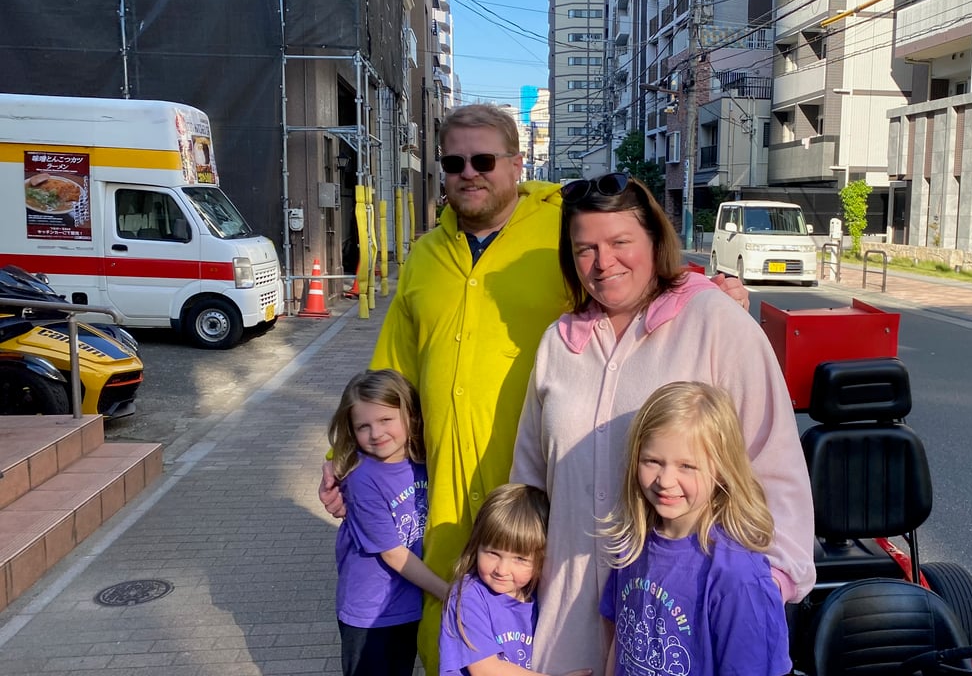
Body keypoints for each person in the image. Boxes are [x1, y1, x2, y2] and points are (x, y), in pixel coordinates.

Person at [318, 103, 749, 672]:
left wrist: (707, 290)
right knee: (449, 639)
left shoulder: (560, 229)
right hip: (440, 496)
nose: (469, 171)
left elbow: (625, 267)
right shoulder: (424, 256)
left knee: (524, 646)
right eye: (454, 161)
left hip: (541, 506)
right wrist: (340, 455)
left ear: (517, 164)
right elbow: (390, 374)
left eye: (484, 159)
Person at [510, 172, 815, 675]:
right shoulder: (558, 343)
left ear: (655, 240)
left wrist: (767, 582)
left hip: (680, 622)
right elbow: (530, 479)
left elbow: (775, 463)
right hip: (569, 617)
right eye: (584, 248)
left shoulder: (717, 325)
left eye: (620, 242)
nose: (603, 262)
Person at [598, 381, 791, 676]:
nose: (665, 479)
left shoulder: (738, 576)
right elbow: (619, 643)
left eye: (687, 466)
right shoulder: (632, 546)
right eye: (652, 461)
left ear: (722, 470)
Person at [328, 370, 450, 676]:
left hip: (408, 604)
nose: (376, 433)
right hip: (370, 614)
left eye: (386, 420)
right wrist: (449, 593)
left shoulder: (424, 463)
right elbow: (393, 554)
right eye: (363, 426)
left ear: (410, 416)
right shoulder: (363, 479)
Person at [439, 483, 592, 676]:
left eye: (520, 559)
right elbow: (485, 670)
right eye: (493, 553)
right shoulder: (468, 596)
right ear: (476, 545)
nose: (502, 570)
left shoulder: (540, 593)